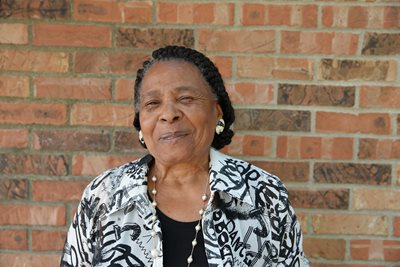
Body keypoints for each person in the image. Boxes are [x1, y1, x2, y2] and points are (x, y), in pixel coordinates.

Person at [61, 46, 309, 267]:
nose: (168, 114)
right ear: (140, 122)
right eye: (152, 103)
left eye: (186, 99)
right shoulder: (104, 196)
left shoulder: (263, 194)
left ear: (217, 111)